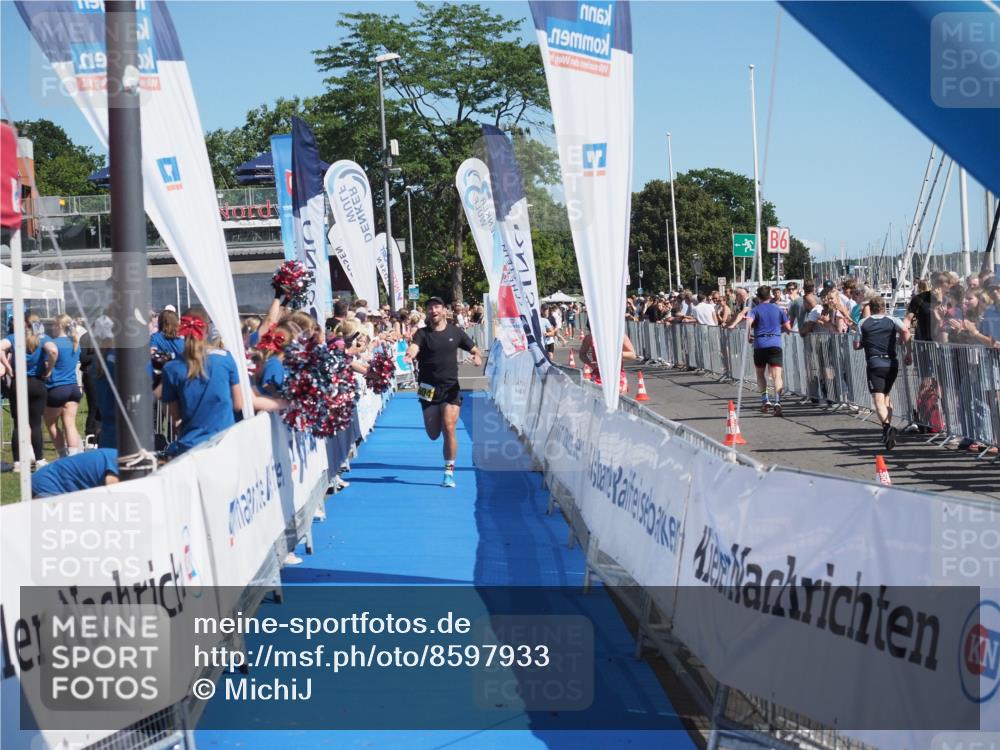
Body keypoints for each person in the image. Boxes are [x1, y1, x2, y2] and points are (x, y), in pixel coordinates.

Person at [403, 297, 482, 488]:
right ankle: (436, 415)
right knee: (433, 434)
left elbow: (475, 349)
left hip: (450, 387)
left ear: (444, 310)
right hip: (427, 387)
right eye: (430, 308)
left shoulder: (456, 332)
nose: (434, 310)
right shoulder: (422, 333)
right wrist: (410, 354)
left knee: (449, 427)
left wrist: (477, 356)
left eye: (437, 307)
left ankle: (448, 472)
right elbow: (414, 346)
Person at [159, 308, 243, 457]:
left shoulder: (171, 368)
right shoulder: (225, 359)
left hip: (191, 448)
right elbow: (238, 404)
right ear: (207, 329)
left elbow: (175, 416)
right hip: (225, 444)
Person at [0, 312, 57, 469]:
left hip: (18, 383)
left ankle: (18, 462)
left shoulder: (14, 337)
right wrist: (50, 370)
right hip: (37, 383)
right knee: (36, 423)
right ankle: (39, 459)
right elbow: (53, 351)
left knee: (19, 424)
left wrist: (8, 367)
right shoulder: (43, 338)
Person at [854, 296, 910, 450]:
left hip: (875, 363)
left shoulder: (863, 323)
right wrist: (907, 351)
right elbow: (906, 331)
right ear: (884, 307)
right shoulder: (892, 320)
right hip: (891, 363)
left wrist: (865, 342)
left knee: (878, 398)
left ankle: (886, 427)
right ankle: (887, 431)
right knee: (886, 397)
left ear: (870, 309)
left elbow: (856, 345)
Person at [746, 285, 791, 415]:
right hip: (775, 344)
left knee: (760, 374)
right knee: (777, 375)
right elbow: (788, 327)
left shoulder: (755, 310)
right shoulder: (778, 309)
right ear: (770, 295)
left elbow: (748, 322)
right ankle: (777, 401)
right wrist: (778, 330)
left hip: (760, 344)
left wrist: (748, 335)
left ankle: (765, 399)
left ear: (758, 297)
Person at [44, 314, 83, 457]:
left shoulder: (53, 344)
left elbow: (47, 363)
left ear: (59, 326)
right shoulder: (75, 343)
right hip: (73, 387)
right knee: (70, 424)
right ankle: (73, 456)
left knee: (51, 424)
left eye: (53, 325)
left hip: (57, 387)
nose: (52, 328)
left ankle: (62, 456)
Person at [32, 448, 120, 498]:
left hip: (46, 482)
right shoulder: (119, 461)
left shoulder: (116, 456)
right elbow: (113, 495)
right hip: (48, 485)